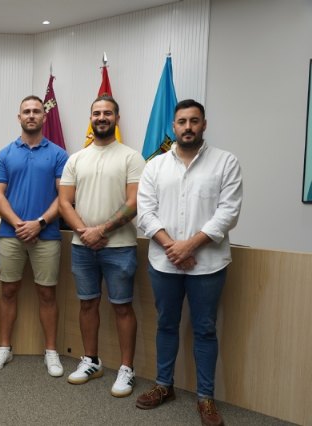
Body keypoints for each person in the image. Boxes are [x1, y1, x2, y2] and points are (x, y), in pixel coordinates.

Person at [135, 99, 242, 426]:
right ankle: (163, 386)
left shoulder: (226, 162)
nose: (188, 127)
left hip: (208, 265)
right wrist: (172, 246)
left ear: (204, 124)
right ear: (173, 127)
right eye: (182, 122)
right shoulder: (155, 166)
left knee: (205, 329)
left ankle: (205, 398)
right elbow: (145, 212)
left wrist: (190, 245)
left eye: (194, 121)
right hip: (164, 262)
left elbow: (228, 213)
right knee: (166, 324)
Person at [59, 95, 145, 396]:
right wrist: (85, 232)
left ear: (117, 118)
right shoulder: (76, 158)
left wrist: (103, 230)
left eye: (108, 113)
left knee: (122, 306)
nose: (102, 117)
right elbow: (64, 202)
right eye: (96, 113)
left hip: (119, 246)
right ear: (91, 118)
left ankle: (126, 369)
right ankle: (91, 361)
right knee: (87, 302)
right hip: (83, 246)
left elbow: (134, 203)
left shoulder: (131, 157)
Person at [0, 95, 69, 377]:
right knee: (8, 291)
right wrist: (21, 224)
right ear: (19, 117)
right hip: (11, 234)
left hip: (46, 236)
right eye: (26, 111)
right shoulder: (5, 154)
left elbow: (65, 196)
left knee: (47, 293)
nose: (31, 115)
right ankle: (4, 348)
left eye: (36, 111)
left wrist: (40, 222)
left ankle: (50, 352)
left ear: (44, 117)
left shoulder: (59, 155)